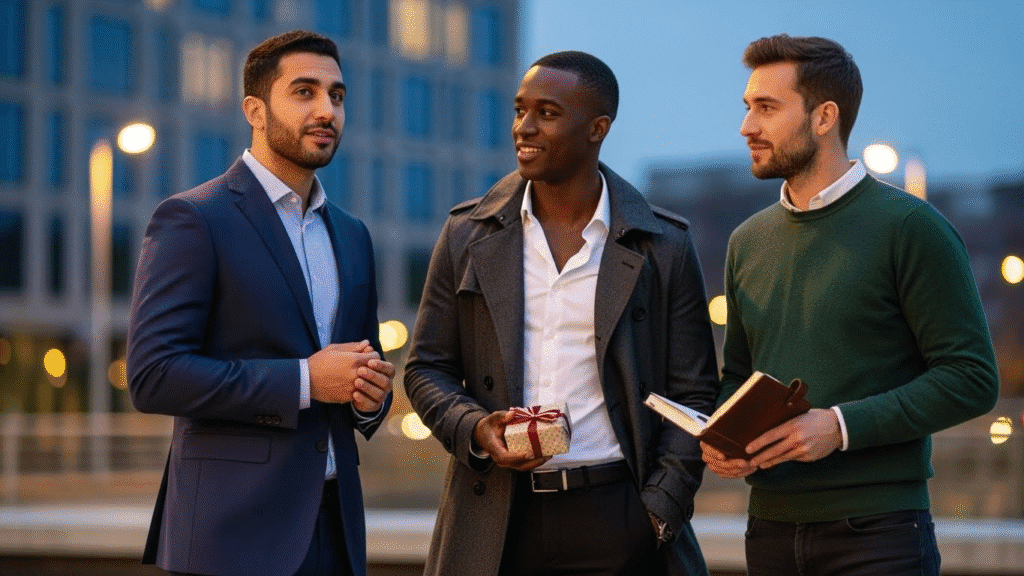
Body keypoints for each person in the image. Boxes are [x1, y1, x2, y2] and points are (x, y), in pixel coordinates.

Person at [404, 50, 720, 576]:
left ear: (598, 128)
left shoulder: (663, 245)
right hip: (494, 516)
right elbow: (425, 368)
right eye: (519, 110)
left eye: (547, 113)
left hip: (618, 517)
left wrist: (657, 511)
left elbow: (693, 395)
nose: (524, 127)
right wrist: (477, 428)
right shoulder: (466, 234)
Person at [703, 33, 1000, 576]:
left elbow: (972, 378)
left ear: (824, 117)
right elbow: (740, 376)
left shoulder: (911, 228)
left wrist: (839, 426)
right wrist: (727, 435)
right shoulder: (747, 241)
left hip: (879, 533)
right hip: (769, 530)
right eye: (747, 107)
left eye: (766, 108)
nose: (747, 126)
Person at [127, 30, 394, 576]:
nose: (326, 110)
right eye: (304, 92)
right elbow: (154, 376)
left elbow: (357, 367)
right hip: (231, 538)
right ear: (255, 110)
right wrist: (305, 380)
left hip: (336, 531)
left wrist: (370, 397)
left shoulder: (352, 235)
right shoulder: (194, 218)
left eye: (337, 96)